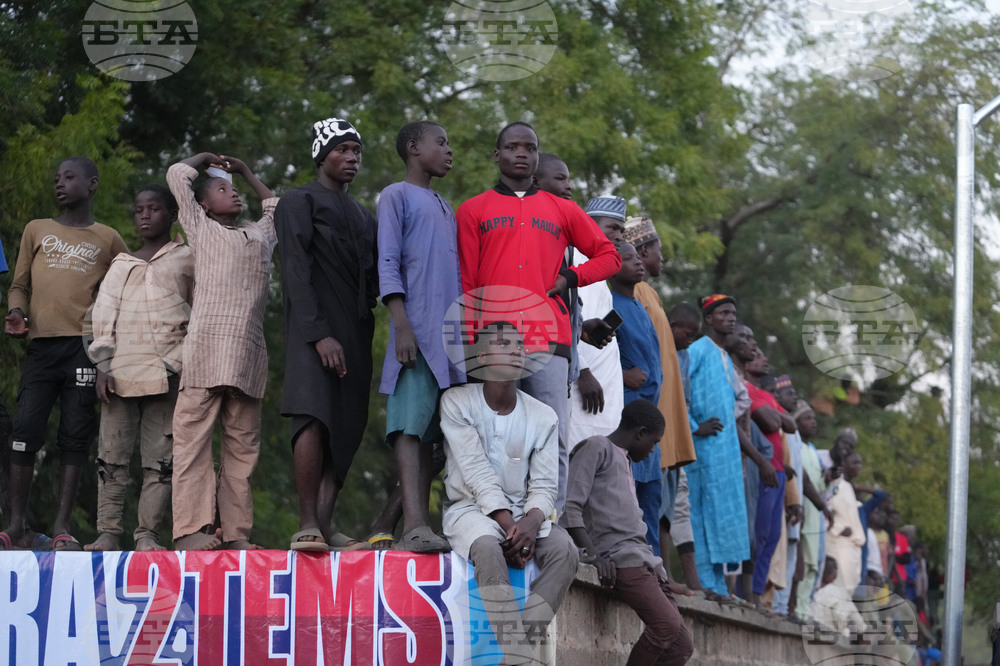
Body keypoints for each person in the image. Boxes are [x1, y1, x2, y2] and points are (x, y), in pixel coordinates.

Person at [455, 121, 620, 513]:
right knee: (495, 434)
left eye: (529, 147)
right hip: (494, 341)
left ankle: (551, 521)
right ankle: (495, 517)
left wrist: (570, 277)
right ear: (497, 155)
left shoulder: (563, 209)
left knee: (549, 432)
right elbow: (466, 282)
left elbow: (609, 256)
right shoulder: (472, 210)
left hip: (550, 338)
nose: (521, 154)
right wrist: (471, 341)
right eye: (512, 147)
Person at [3, 157, 128, 551]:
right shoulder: (36, 229)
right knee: (25, 430)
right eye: (57, 177)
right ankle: (16, 524)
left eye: (69, 177)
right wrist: (17, 312)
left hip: (83, 349)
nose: (60, 183)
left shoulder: (108, 238)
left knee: (74, 435)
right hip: (41, 347)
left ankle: (61, 527)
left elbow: (125, 284)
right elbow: (18, 284)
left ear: (91, 184)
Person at [441, 322, 579, 664]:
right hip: (471, 510)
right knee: (488, 549)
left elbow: (546, 485)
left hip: (525, 516)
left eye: (520, 344)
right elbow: (476, 475)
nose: (517, 350)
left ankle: (514, 654)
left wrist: (531, 525)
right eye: (505, 344)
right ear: (482, 355)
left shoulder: (543, 415)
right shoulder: (456, 402)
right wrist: (512, 529)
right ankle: (519, 655)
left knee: (565, 550)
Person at [275, 118, 378, 553]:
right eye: (342, 149)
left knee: (348, 424)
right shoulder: (298, 202)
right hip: (311, 329)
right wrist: (319, 335)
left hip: (355, 330)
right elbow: (295, 272)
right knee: (314, 414)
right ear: (322, 155)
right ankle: (306, 524)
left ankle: (326, 522)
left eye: (356, 150)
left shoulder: (363, 215)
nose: (351, 157)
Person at [166, 151, 277, 551]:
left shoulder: (259, 235)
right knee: (192, 444)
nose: (234, 195)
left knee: (242, 452)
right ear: (203, 205)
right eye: (222, 189)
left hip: (247, 360)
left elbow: (275, 208)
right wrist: (206, 159)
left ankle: (234, 535)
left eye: (234, 190)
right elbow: (177, 175)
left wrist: (245, 170)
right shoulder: (199, 228)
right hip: (204, 355)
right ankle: (190, 531)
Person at [85, 185, 194, 551]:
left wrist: (183, 364)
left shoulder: (187, 259)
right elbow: (103, 317)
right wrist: (102, 366)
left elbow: (196, 315)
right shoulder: (121, 264)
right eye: (139, 210)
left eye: (155, 209)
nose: (145, 215)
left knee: (160, 461)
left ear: (173, 215)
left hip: (168, 375)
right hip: (119, 377)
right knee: (111, 456)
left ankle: (147, 534)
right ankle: (109, 531)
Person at [373, 120, 463, 553]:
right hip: (417, 333)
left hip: (449, 340)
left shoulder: (444, 204)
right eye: (440, 143)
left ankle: (401, 526)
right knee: (410, 428)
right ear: (413, 148)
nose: (449, 150)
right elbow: (387, 261)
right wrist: (401, 323)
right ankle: (414, 527)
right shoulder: (396, 195)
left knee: (436, 436)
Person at [562, 399, 694, 666]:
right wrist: (595, 555)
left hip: (645, 562)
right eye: (654, 442)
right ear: (640, 433)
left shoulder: (626, 461)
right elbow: (570, 507)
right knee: (666, 626)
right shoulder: (597, 447)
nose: (653, 450)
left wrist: (660, 573)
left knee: (682, 645)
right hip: (623, 560)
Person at [684, 294, 751, 597]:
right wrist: (695, 426)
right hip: (701, 449)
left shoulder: (725, 357)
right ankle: (705, 583)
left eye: (733, 313)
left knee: (723, 516)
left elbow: (739, 401)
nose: (731, 318)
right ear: (709, 319)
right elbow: (677, 390)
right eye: (723, 313)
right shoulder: (697, 350)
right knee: (699, 512)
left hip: (725, 453)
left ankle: (719, 584)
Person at [609, 242, 664, 554]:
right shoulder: (611, 305)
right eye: (627, 259)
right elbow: (596, 350)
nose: (637, 263)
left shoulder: (640, 306)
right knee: (628, 492)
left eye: (637, 257)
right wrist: (623, 373)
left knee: (651, 494)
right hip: (629, 412)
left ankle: (655, 564)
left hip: (649, 414)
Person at [564, 196, 626, 452]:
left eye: (622, 230)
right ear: (589, 225)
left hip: (603, 383)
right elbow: (571, 322)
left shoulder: (600, 267)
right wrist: (584, 372)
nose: (620, 236)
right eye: (612, 228)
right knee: (581, 458)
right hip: (585, 386)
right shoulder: (577, 261)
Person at [825, 451, 866, 592]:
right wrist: (839, 527)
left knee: (848, 589)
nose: (858, 467)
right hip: (838, 542)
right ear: (843, 464)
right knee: (838, 587)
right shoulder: (837, 484)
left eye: (860, 463)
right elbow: (827, 506)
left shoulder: (848, 487)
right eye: (855, 463)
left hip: (851, 545)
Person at [811, 557, 867, 637]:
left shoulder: (812, 591)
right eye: (835, 568)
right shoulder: (839, 593)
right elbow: (856, 622)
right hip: (833, 634)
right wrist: (844, 630)